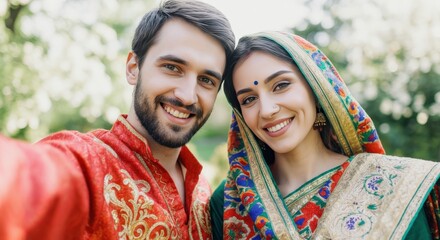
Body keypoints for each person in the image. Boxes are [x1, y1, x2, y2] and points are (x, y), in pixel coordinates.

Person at [0, 0, 235, 239]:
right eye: (172, 68)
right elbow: (23, 178)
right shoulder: (87, 163)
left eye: (207, 80)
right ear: (133, 67)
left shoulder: (204, 192)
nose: (187, 96)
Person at [210, 31, 440, 239]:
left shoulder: (397, 188)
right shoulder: (231, 200)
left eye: (281, 85)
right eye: (249, 99)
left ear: (316, 88)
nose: (267, 109)